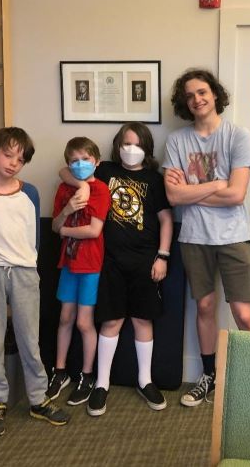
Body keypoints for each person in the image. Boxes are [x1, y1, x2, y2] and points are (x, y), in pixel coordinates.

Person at [60, 122, 173, 415]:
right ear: (116, 146)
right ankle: (102, 383)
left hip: (146, 261)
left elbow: (165, 220)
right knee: (111, 322)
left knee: (142, 321)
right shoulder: (106, 171)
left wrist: (163, 256)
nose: (130, 150)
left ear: (146, 148)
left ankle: (144, 380)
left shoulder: (154, 179)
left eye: (136, 145)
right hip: (108, 262)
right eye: (125, 144)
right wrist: (83, 184)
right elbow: (65, 171)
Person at [0, 127, 69, 437]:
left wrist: (29, 266)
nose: (12, 163)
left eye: (20, 160)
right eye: (8, 155)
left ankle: (38, 399)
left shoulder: (30, 193)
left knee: (29, 339)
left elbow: (33, 236)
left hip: (23, 270)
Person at [163, 68, 250, 407]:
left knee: (243, 314)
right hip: (193, 236)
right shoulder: (176, 140)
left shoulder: (237, 136)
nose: (197, 99)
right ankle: (209, 375)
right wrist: (215, 185)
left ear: (215, 94)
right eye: (189, 95)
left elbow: (236, 195)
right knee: (204, 306)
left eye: (202, 92)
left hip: (232, 236)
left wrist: (191, 190)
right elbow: (173, 198)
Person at [47, 137, 111, 406]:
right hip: (68, 263)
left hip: (90, 264)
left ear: (96, 161)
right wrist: (67, 210)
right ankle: (59, 372)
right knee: (65, 318)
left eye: (86, 159)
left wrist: (65, 230)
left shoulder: (100, 191)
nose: (80, 164)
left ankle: (87, 375)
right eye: (74, 160)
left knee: (85, 322)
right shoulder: (65, 188)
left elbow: (93, 230)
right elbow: (54, 225)